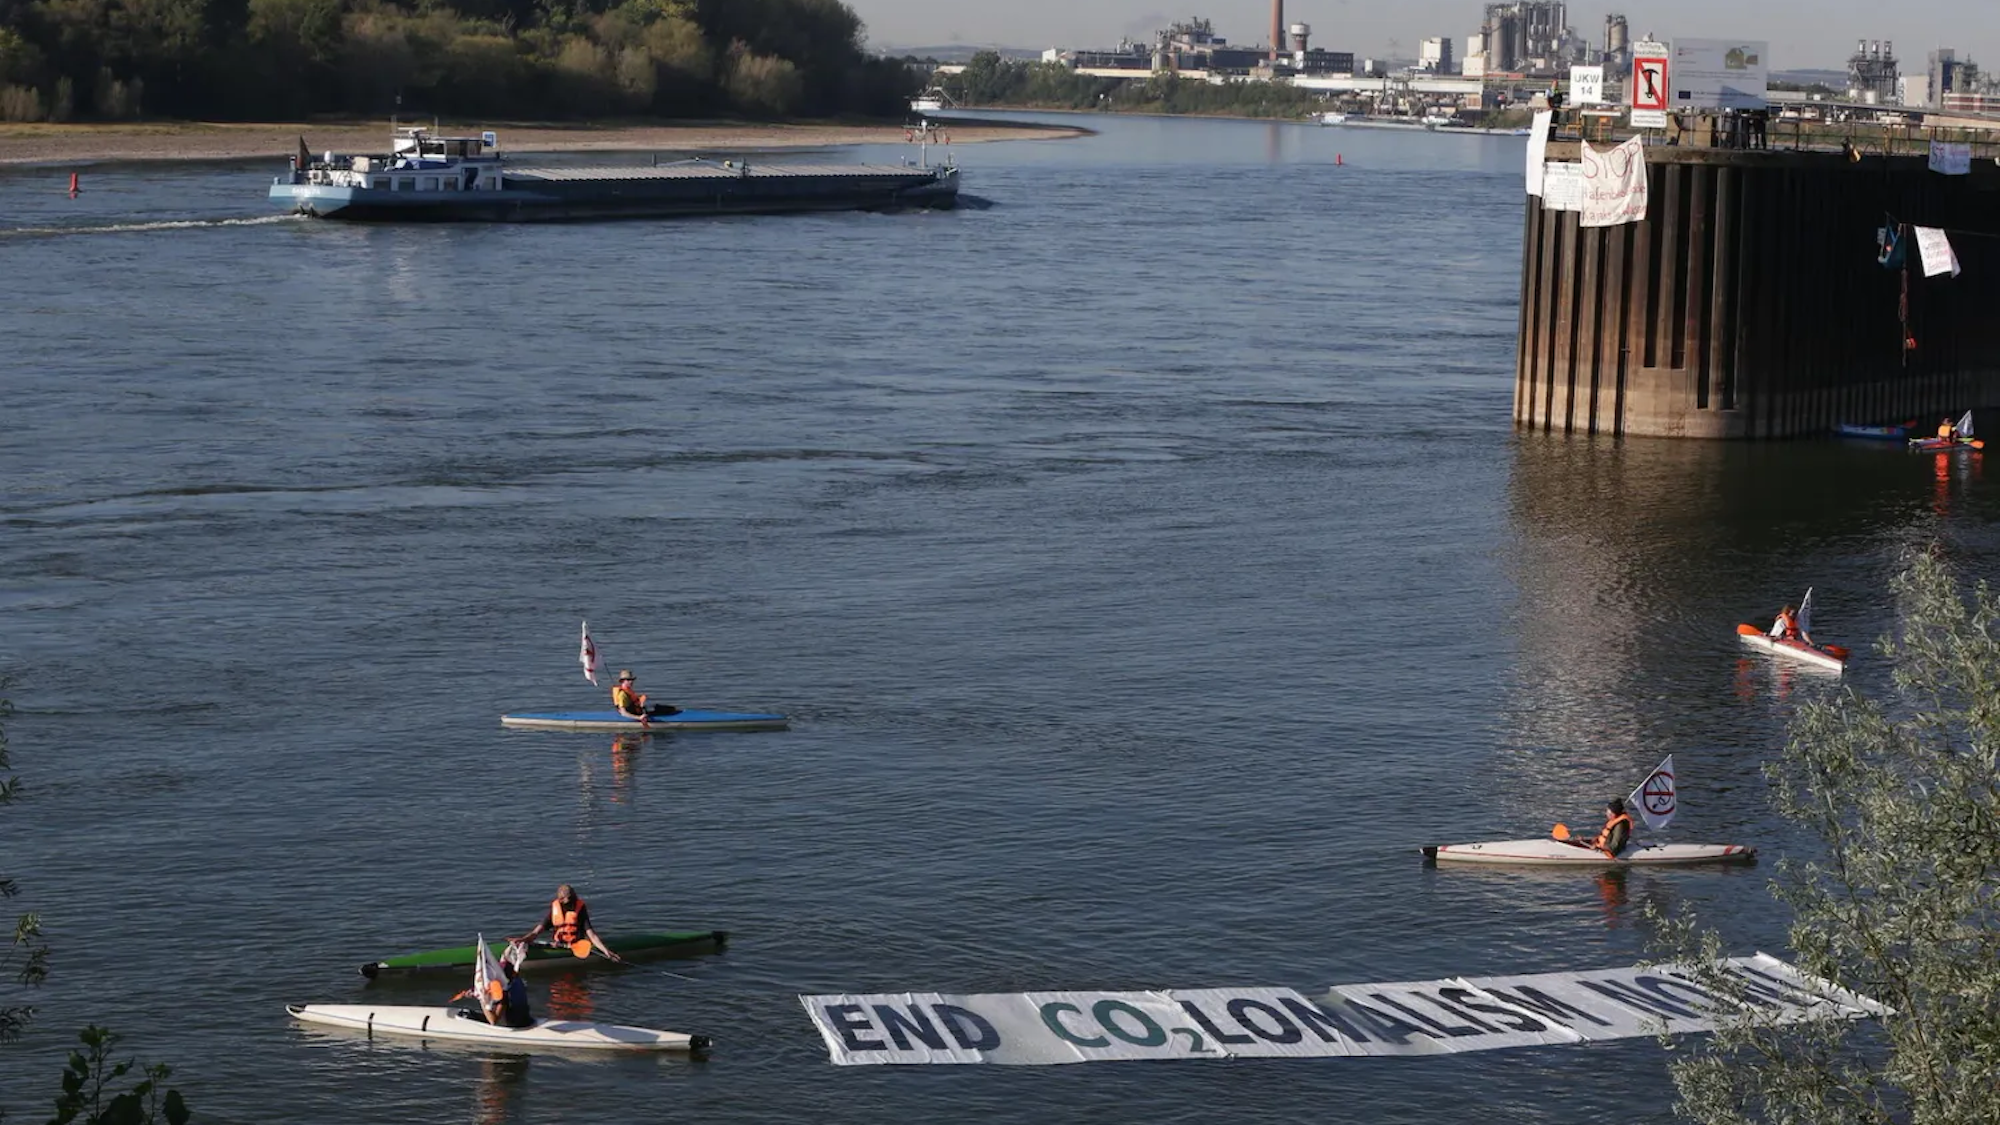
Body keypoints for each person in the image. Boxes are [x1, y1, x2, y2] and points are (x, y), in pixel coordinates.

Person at [512, 884, 622, 962]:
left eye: (571, 901)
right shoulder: (555, 909)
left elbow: (591, 935)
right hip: (558, 945)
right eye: (567, 902)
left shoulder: (580, 909)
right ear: (560, 901)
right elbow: (537, 931)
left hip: (577, 945)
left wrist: (606, 951)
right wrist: (523, 939)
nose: (570, 905)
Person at [611, 670, 680, 720]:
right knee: (667, 710)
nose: (631, 681)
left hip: (638, 710)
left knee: (665, 708)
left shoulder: (628, 690)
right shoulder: (622, 695)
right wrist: (639, 717)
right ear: (623, 681)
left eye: (632, 679)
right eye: (628, 680)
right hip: (635, 714)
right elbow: (624, 713)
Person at [496, 961, 533, 1028]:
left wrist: (483, 1001)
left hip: (515, 1025)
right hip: (527, 1019)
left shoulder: (505, 990)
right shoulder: (519, 981)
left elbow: (494, 1020)